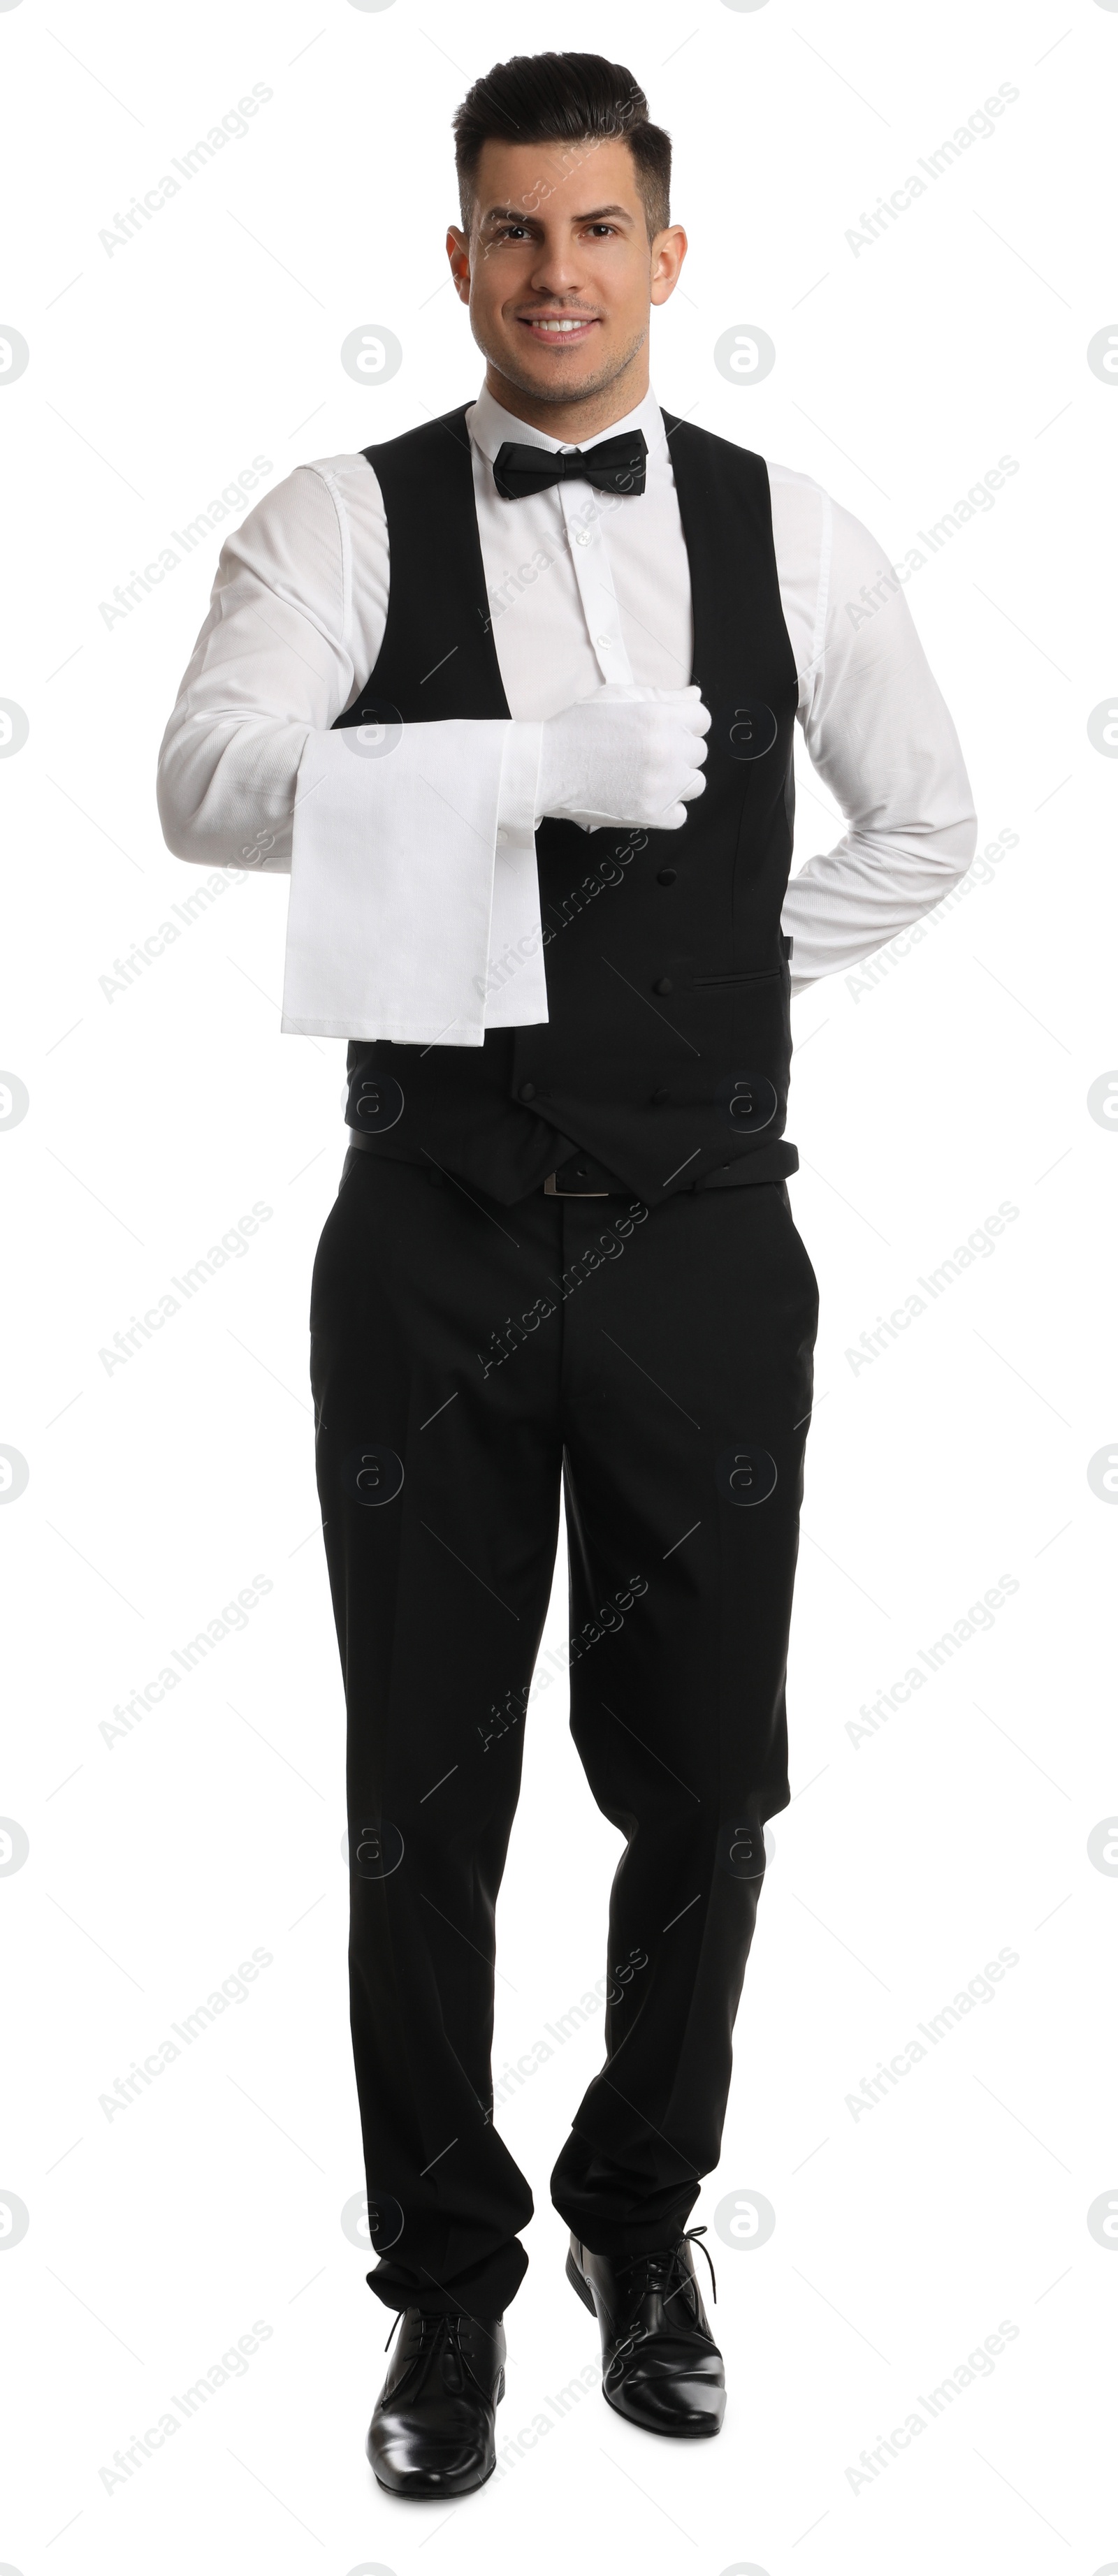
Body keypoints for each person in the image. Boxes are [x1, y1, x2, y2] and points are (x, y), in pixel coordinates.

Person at [157, 49, 976, 2501]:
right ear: (459, 260)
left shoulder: (794, 533)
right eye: (512, 232)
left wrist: (727, 988)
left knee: (707, 1782)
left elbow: (927, 822)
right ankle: (442, 2295)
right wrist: (503, 777)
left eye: (598, 228)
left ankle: (643, 2216)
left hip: (713, 1252)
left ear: (667, 255)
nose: (556, 274)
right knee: (423, 1794)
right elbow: (200, 781)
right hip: (424, 1241)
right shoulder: (341, 517)